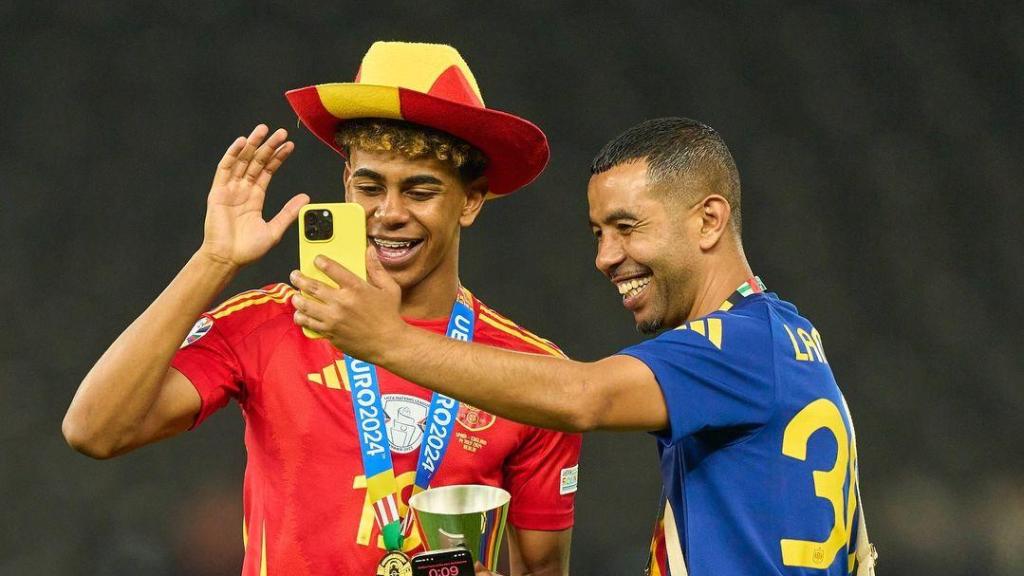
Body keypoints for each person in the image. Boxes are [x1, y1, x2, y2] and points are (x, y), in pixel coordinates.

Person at [63, 42, 580, 576]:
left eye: (421, 191)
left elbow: (542, 568)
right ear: (345, 185)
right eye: (370, 186)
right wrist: (213, 260)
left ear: (470, 200)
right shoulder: (269, 322)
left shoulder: (532, 375)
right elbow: (95, 430)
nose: (390, 213)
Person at [291, 117, 878, 575]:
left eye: (627, 227)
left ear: (708, 221)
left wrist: (387, 341)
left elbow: (585, 397)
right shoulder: (786, 337)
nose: (604, 256)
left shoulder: (742, 342)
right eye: (598, 233)